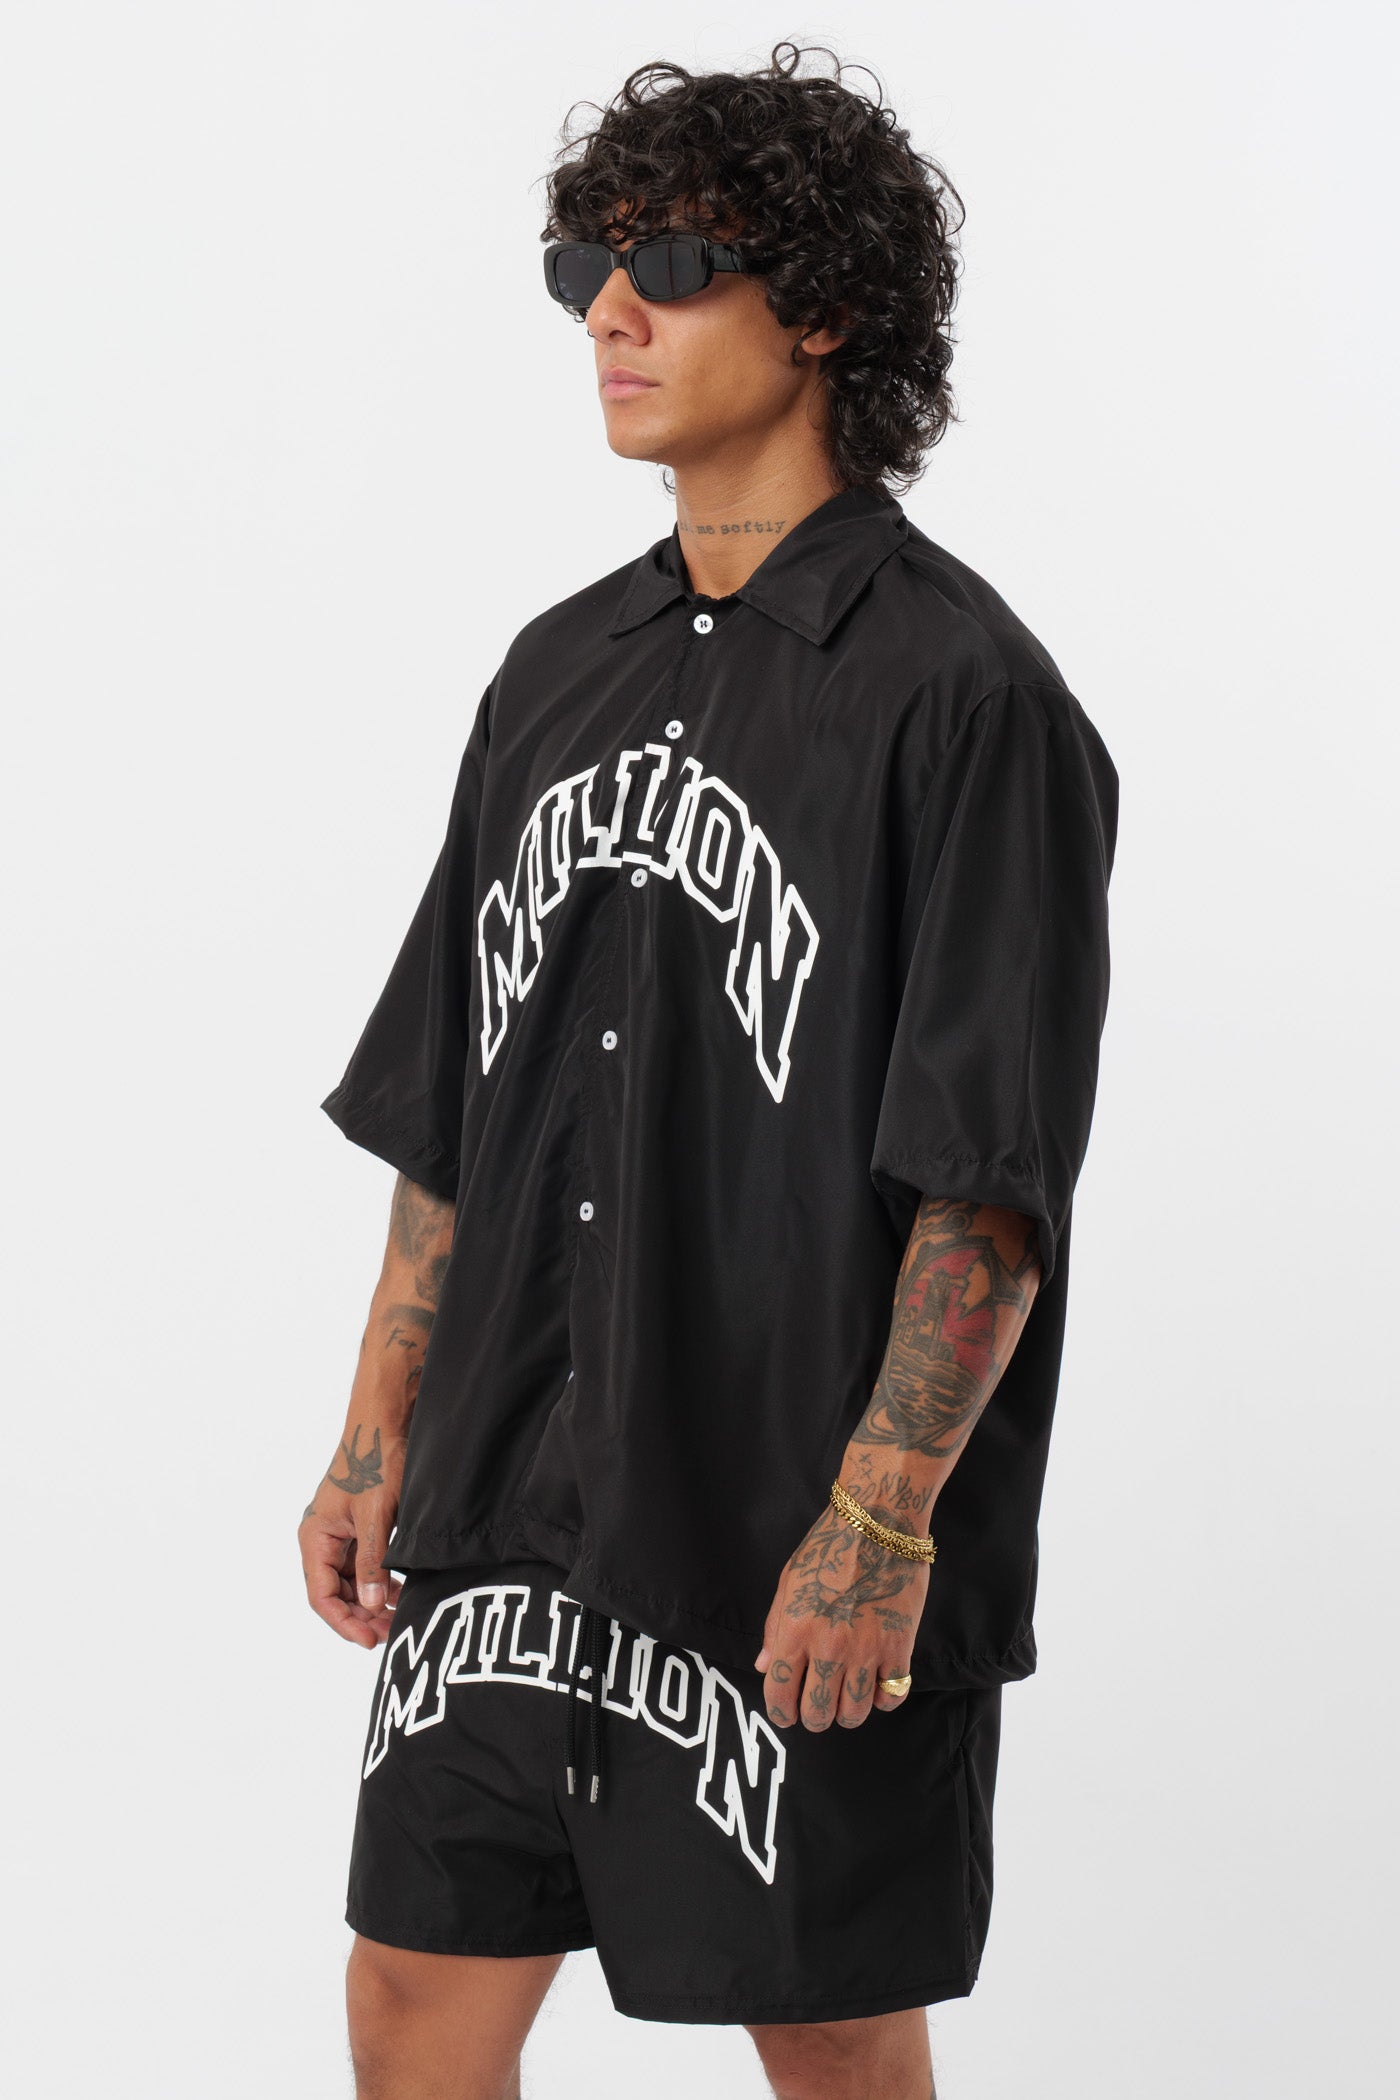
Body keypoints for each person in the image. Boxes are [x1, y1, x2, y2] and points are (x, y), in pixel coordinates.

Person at [299, 42, 1118, 2100]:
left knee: (822, 2027)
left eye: (670, 261)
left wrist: (883, 1519)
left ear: (823, 305)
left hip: (778, 1520)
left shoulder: (966, 696)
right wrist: (377, 1429)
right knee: (410, 1993)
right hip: (507, 1505)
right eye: (585, 262)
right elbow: (455, 1102)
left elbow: (988, 1173)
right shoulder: (552, 671)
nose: (611, 308)